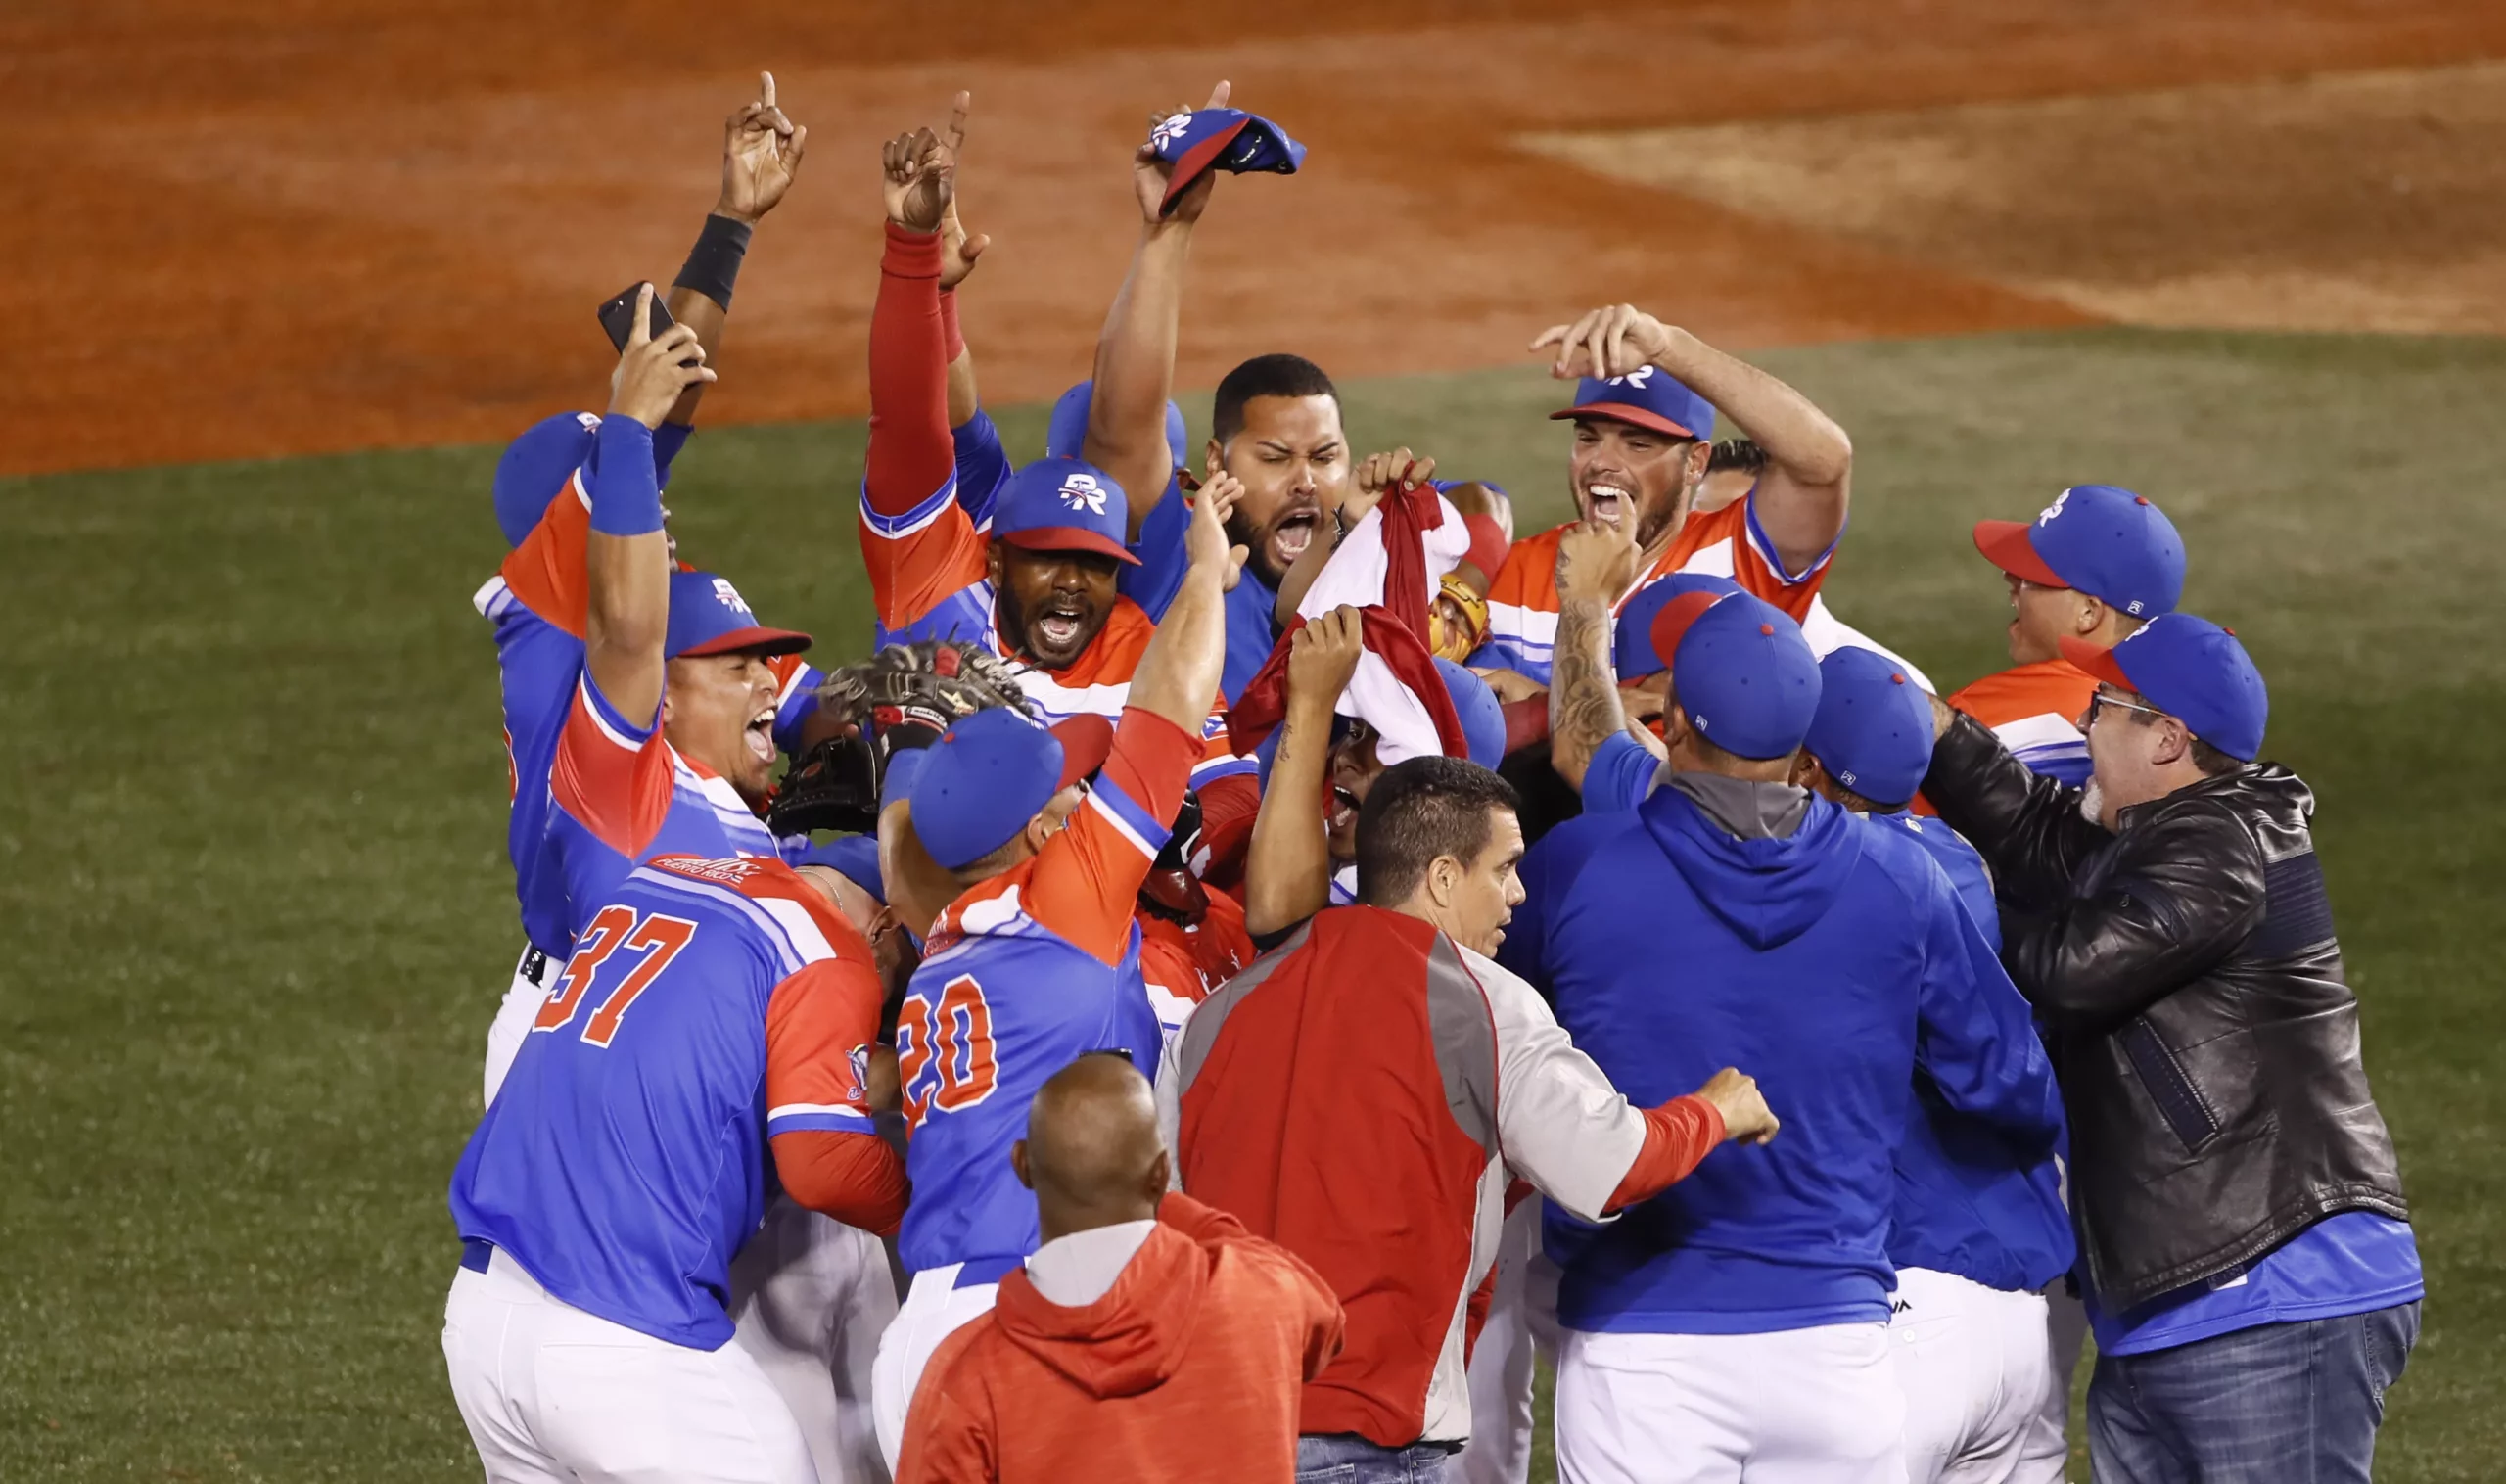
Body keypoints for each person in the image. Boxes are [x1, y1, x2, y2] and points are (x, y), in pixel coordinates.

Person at [1504, 591, 2063, 1484]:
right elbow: (2013, 1085)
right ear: (1806, 749)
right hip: (1833, 1350)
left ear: (1676, 721)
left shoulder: (1578, 867)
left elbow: (1495, 1045)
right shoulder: (1903, 880)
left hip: (1640, 1348)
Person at [1166, 756, 1782, 1482]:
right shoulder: (1487, 1003)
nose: (1519, 894)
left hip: (1215, 1441)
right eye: (1505, 869)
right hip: (1364, 1448)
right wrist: (1713, 1112)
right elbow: (1613, 1167)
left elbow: (1162, 1225)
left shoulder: (1218, 1014)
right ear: (1444, 878)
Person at [1922, 614, 2419, 1482]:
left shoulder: (2221, 843)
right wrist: (1938, 733)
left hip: (2268, 1287)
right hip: (2187, 1296)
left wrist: (1920, 900)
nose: (2082, 723)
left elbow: (2073, 968)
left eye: (2104, 706)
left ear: (2168, 739)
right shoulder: (2168, 831)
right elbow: (2040, 838)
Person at [866, 435, 1237, 1467]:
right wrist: (1205, 564)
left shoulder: (933, 941)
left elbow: (907, 860)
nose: (1082, 793)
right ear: (1036, 834)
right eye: (1064, 788)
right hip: (1019, 1314)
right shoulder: (1065, 900)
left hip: (917, 1330)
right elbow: (1167, 712)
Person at [476, 76, 813, 1105]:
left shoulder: (596, 597)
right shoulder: (548, 615)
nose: (653, 506)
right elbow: (644, 426)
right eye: (621, 489)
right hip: (576, 1003)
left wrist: (731, 223)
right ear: (561, 528)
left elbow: (663, 393)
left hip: (641, 982)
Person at [443, 853, 906, 1484]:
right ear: (882, 925)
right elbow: (821, 1162)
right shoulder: (830, 948)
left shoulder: (663, 878)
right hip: (628, 1347)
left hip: (483, 1325)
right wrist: (929, 1209)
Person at [854, 107, 1241, 797]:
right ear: (1000, 551)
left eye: (1094, 558)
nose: (1073, 576)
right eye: (1052, 550)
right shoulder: (958, 567)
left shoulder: (1150, 622)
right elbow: (925, 421)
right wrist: (922, 276)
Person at [1793, 647, 2075, 1484]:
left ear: (1810, 766)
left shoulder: (1825, 881)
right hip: (2030, 1313)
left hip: (1910, 1303)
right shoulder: (1958, 854)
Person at [894, 1054, 1345, 1483]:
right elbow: (1324, 1326)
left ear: (1023, 1166)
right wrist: (1155, 1196)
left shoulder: (963, 1378)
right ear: (1160, 1172)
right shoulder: (1262, 1295)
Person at [1476, 303, 1852, 687]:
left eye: (1637, 445)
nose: (1602, 461)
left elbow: (1823, 462)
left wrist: (1667, 348)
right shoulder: (1519, 569)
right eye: (1588, 438)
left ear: (1695, 463)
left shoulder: (1740, 556)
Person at [1240, 608, 1508, 938]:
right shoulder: (1300, 827)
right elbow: (1287, 612)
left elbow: (1281, 926)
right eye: (1354, 732)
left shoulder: (1433, 910)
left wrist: (1311, 705)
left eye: (1388, 748)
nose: (1345, 758)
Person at [1940, 484, 2183, 787]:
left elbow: (1903, 831)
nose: (2010, 579)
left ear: (2088, 613)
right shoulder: (2189, 733)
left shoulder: (1978, 717)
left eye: (2033, 577)